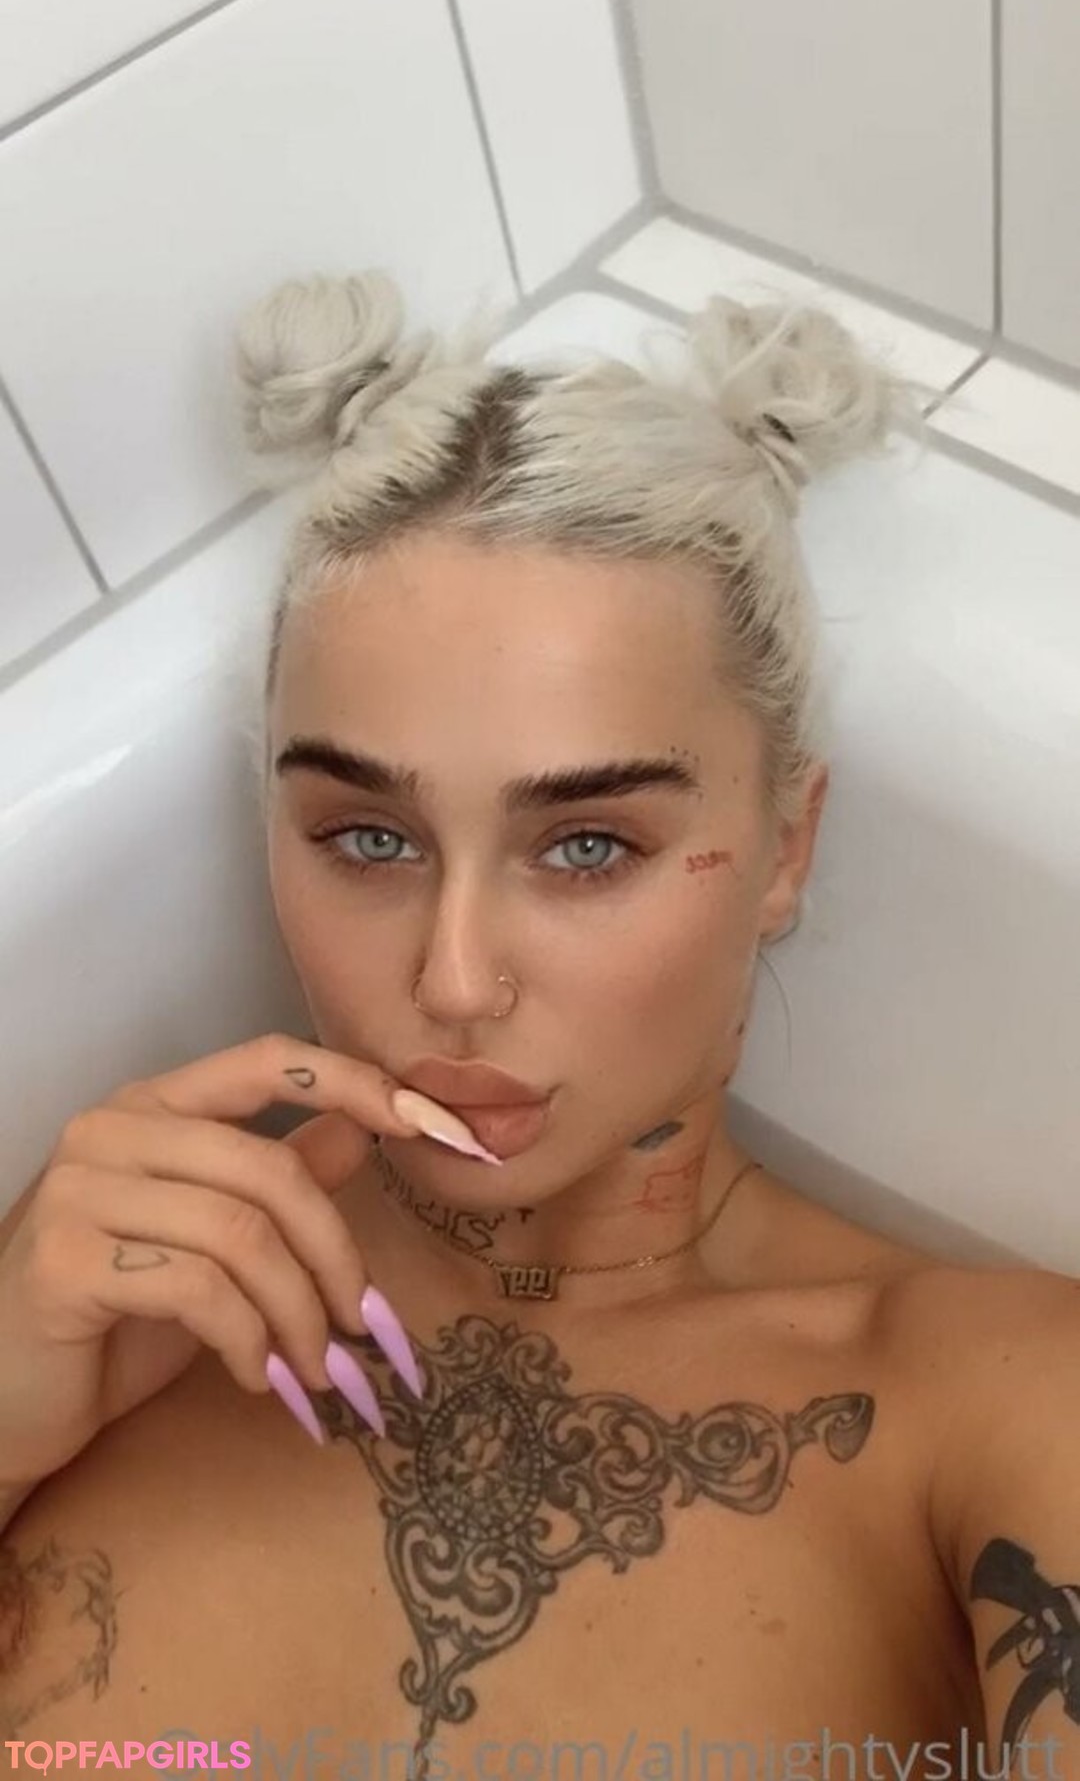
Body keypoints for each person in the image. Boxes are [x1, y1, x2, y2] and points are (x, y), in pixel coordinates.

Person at [1, 270, 1077, 1780]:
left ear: (784, 848)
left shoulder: (999, 1404)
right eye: (368, 836)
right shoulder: (97, 1300)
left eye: (586, 845)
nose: (454, 981)